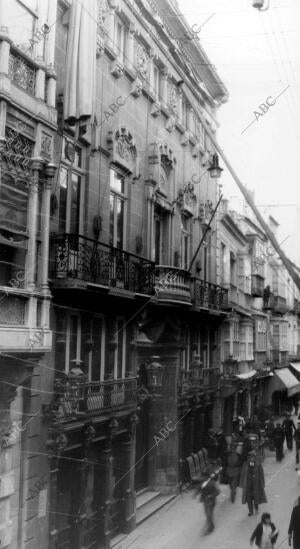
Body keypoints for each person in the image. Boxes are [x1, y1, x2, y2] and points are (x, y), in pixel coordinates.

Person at [240, 451, 267, 516]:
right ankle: (250, 511)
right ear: (248, 457)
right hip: (248, 486)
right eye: (250, 457)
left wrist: (262, 484)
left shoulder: (258, 465)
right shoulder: (245, 465)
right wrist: (241, 483)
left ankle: (256, 509)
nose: (252, 458)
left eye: (253, 457)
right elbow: (243, 474)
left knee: (256, 499)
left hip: (256, 485)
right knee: (249, 499)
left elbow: (261, 475)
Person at [194, 468, 220, 535]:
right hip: (205, 500)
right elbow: (199, 489)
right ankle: (211, 524)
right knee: (206, 513)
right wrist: (195, 494)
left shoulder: (212, 483)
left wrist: (211, 495)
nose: (202, 478)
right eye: (202, 477)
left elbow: (217, 491)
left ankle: (210, 527)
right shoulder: (202, 483)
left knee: (209, 514)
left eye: (204, 477)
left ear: (207, 477)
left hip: (211, 501)